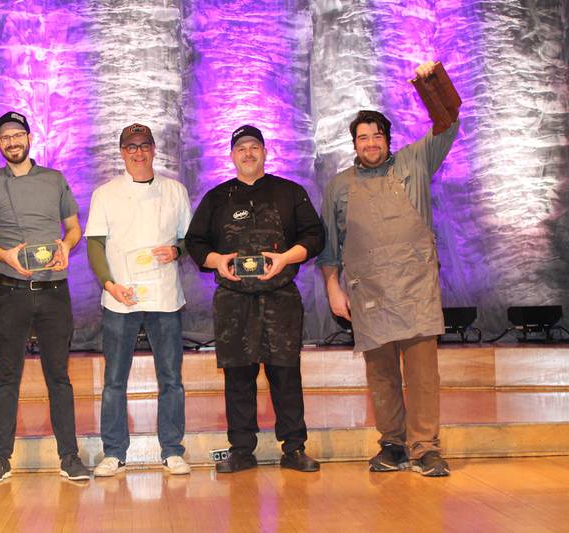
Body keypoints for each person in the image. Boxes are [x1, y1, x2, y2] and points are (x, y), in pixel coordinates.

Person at [317, 61, 460, 477]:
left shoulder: (415, 161)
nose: (370, 143)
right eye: (363, 138)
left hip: (415, 290)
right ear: (354, 144)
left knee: (422, 377)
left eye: (377, 135)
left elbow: (449, 122)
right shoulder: (339, 186)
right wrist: (333, 288)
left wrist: (429, 81)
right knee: (381, 379)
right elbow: (329, 246)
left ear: (387, 139)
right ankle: (393, 446)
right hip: (369, 294)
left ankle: (426, 448)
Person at [185, 124, 324, 473]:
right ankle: (242, 450)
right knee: (238, 378)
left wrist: (286, 258)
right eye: (241, 148)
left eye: (254, 147)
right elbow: (195, 242)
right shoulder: (217, 198)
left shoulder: (290, 192)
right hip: (233, 302)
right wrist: (218, 261)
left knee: (286, 376)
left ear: (265, 152)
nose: (248, 153)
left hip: (281, 300)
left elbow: (315, 235)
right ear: (232, 156)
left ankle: (294, 448)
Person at [0, 111, 89, 482]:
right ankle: (1, 458)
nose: (12, 142)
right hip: (11, 292)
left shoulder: (54, 180)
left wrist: (66, 247)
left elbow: (73, 229)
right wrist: (4, 255)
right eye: (5, 137)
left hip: (54, 291)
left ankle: (69, 457)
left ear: (29, 137)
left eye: (18, 135)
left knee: (59, 377)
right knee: (8, 377)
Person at [85, 123, 192, 476]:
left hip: (163, 298)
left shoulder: (175, 190)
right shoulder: (106, 193)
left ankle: (173, 449)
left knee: (171, 378)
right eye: (130, 146)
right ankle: (114, 452)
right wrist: (108, 283)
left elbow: (189, 240)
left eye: (144, 145)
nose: (138, 152)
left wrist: (175, 251)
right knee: (115, 379)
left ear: (154, 149)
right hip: (121, 299)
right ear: (122, 152)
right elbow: (95, 243)